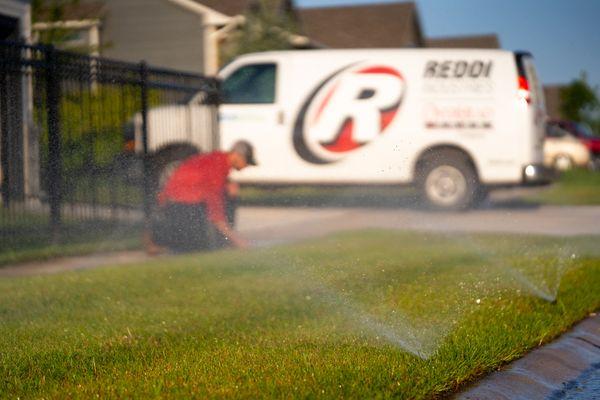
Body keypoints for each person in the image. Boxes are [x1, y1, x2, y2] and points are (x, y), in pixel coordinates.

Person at [146, 141, 257, 253]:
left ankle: (161, 240)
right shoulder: (217, 168)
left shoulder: (217, 159)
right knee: (197, 248)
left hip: (174, 203)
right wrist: (237, 240)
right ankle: (166, 243)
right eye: (246, 162)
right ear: (237, 155)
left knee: (230, 190)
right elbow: (215, 212)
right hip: (181, 206)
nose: (246, 166)